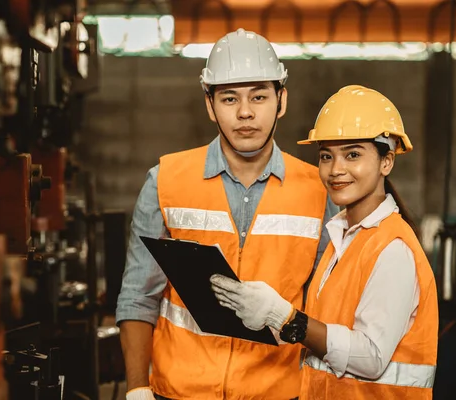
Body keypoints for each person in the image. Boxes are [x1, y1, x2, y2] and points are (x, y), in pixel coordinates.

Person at [116, 28, 338, 400]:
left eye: (259, 96)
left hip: (277, 393)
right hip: (180, 392)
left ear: (281, 100)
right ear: (209, 105)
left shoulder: (319, 191)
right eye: (230, 98)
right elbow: (138, 297)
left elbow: (327, 312)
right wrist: (137, 388)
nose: (245, 112)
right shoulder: (165, 181)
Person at [211, 85, 439, 399]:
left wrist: (285, 317)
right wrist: (269, 319)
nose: (336, 170)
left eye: (353, 155)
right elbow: (328, 332)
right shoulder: (342, 239)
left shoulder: (392, 248)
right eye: (326, 156)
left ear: (387, 161)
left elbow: (370, 357)